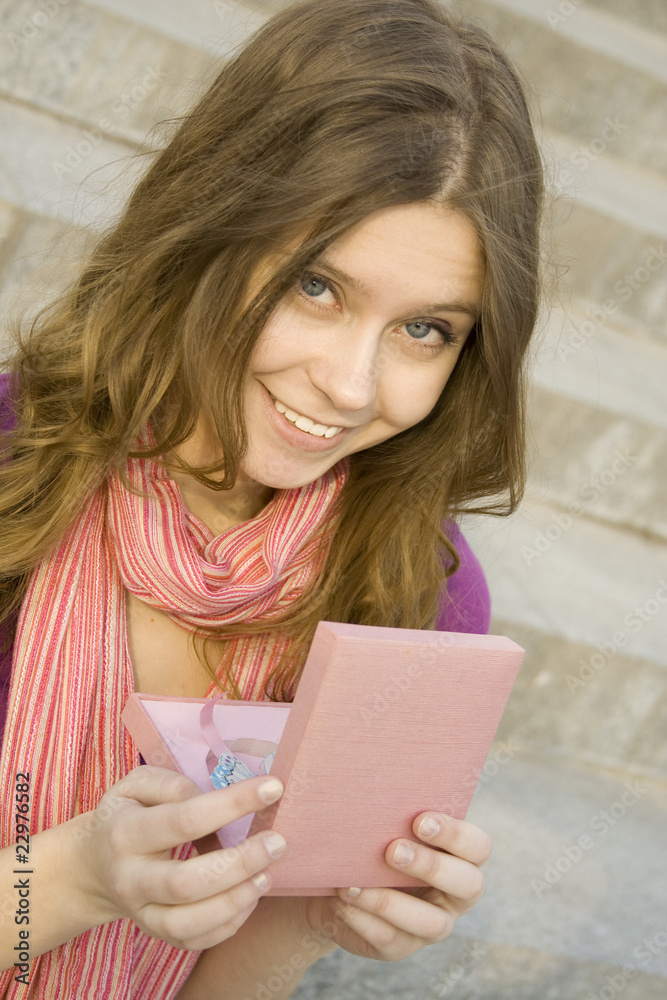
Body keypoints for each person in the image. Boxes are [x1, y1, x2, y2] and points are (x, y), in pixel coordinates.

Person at [0, 0, 543, 995]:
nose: (350, 385)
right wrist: (74, 878)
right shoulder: (10, 462)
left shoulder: (422, 594)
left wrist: (312, 917)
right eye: (316, 287)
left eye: (424, 329)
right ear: (211, 228)